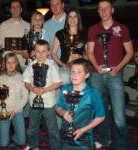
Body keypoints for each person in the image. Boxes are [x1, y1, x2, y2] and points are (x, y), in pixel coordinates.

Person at [87, 0, 134, 149]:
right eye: (100, 9)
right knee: (101, 112)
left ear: (112, 10)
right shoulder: (93, 29)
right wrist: (96, 66)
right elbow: (89, 52)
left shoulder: (122, 28)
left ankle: (121, 145)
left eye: (106, 8)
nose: (103, 11)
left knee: (119, 114)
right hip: (96, 76)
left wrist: (118, 67)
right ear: (98, 11)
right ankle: (103, 139)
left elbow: (130, 52)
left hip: (116, 76)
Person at [56, 58, 105, 150]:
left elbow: (101, 116)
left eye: (79, 72)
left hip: (83, 139)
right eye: (72, 71)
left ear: (87, 75)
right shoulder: (65, 88)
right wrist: (63, 113)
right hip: (65, 136)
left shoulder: (92, 93)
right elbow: (58, 107)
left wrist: (83, 130)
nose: (74, 75)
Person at [23, 39, 62, 150]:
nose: (40, 54)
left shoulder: (52, 66)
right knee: (32, 127)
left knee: (52, 128)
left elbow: (58, 83)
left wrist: (45, 90)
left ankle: (56, 147)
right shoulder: (30, 66)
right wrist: (32, 88)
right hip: (33, 101)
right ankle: (33, 145)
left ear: (48, 52)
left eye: (44, 51)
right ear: (34, 52)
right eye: (38, 51)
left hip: (49, 102)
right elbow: (26, 82)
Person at [0, 52, 28, 147]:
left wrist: (15, 111)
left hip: (17, 111)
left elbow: (25, 97)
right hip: (3, 111)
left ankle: (13, 133)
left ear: (16, 63)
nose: (10, 65)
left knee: (21, 141)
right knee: (3, 143)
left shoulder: (21, 77)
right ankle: (2, 131)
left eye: (13, 62)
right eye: (8, 62)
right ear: (4, 64)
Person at [51, 7, 87, 85]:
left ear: (78, 19)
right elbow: (53, 53)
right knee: (66, 85)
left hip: (80, 68)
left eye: (75, 16)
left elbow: (89, 55)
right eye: (70, 17)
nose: (72, 19)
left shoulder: (85, 34)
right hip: (65, 69)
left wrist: (80, 56)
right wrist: (61, 63)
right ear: (67, 19)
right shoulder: (60, 33)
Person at [0, 0, 30, 71]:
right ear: (10, 10)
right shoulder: (3, 25)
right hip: (7, 65)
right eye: (13, 7)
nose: (15, 9)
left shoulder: (28, 26)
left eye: (17, 7)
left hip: (23, 65)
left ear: (21, 9)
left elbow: (31, 47)